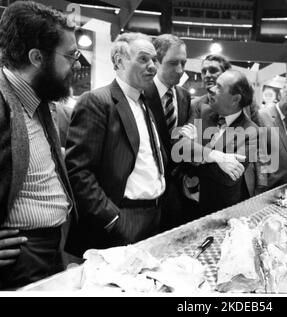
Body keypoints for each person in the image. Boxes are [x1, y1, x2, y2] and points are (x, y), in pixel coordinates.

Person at [0, 1, 79, 289]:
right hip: (20, 256)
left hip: (50, 246)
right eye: (71, 56)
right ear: (37, 57)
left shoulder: (39, 101)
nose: (77, 63)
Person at [65, 33, 166, 256]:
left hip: (154, 215)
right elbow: (78, 171)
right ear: (119, 60)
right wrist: (112, 218)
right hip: (122, 218)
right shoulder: (97, 102)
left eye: (154, 60)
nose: (152, 66)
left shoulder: (147, 104)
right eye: (143, 59)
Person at [177, 70, 258, 215]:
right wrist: (216, 157)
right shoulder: (203, 112)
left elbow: (228, 177)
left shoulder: (251, 131)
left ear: (235, 99)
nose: (211, 89)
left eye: (219, 87)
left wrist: (195, 147)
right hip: (186, 205)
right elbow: (180, 148)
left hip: (219, 211)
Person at [144, 34, 193, 231]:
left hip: (176, 194)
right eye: (173, 63)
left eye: (183, 63)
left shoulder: (184, 96)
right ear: (155, 61)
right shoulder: (141, 93)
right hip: (146, 195)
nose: (180, 70)